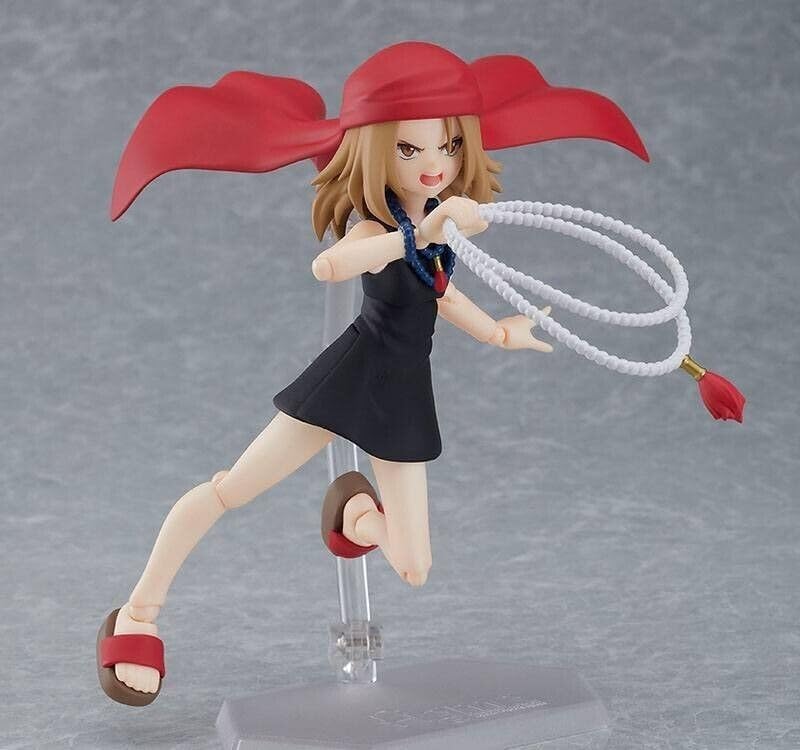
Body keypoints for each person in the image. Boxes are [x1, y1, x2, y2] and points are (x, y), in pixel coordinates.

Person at [97, 41, 648, 706]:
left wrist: (501, 332)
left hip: (403, 396)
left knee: (413, 567)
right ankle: (139, 613)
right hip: (352, 373)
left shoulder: (432, 234)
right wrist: (424, 231)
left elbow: (440, 293)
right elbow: (330, 267)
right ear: (375, 150)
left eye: (447, 145)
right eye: (409, 149)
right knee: (230, 489)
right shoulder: (376, 228)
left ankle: (354, 514)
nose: (434, 164)